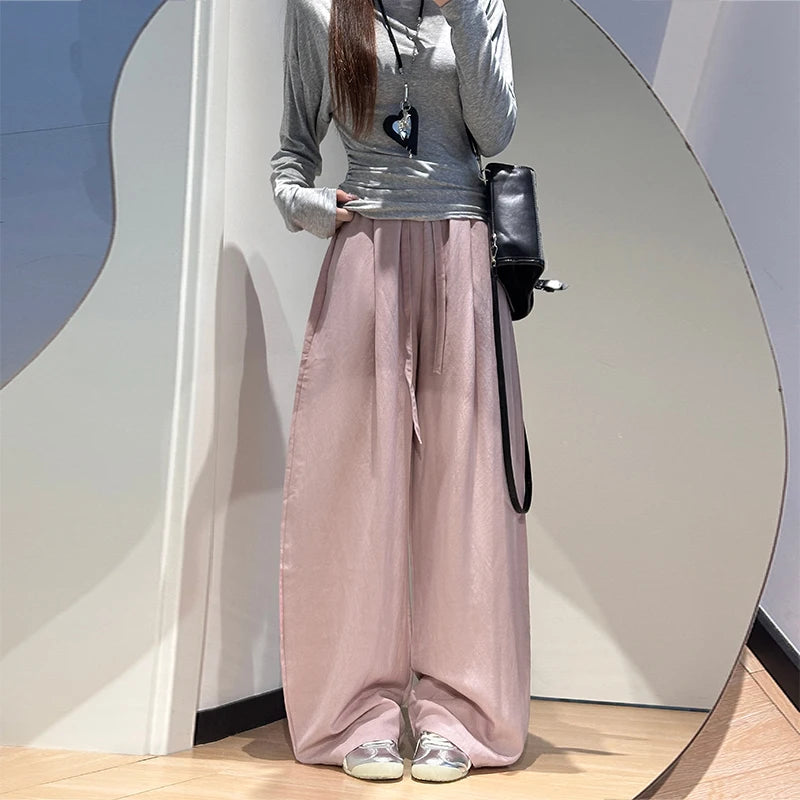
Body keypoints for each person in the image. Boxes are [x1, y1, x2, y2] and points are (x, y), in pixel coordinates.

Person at [270, 0, 531, 783]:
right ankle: (359, 715)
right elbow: (292, 155)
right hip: (366, 252)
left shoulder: (477, 6)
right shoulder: (320, 10)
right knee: (353, 489)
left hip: (464, 251)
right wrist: (312, 206)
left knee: (468, 494)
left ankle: (461, 715)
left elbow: (496, 131)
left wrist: (466, 14)